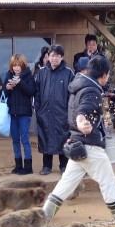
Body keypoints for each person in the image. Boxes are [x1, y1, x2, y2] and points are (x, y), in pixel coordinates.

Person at [42, 54, 115, 227]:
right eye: (108, 75)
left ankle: (42, 222)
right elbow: (82, 111)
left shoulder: (78, 86)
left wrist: (80, 124)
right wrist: (82, 123)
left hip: (77, 145)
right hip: (90, 147)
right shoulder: (92, 91)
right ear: (103, 74)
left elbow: (79, 110)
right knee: (109, 182)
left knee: (64, 186)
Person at [32, 44, 73, 175]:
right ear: (48, 57)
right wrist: (38, 109)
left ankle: (63, 166)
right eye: (52, 55)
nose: (54, 58)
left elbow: (72, 94)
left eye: (57, 56)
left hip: (62, 113)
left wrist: (69, 112)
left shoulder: (68, 73)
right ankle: (46, 166)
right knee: (45, 137)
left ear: (61, 57)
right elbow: (36, 93)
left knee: (63, 137)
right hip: (45, 112)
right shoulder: (42, 72)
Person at [2, 53, 36, 175]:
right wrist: (7, 87)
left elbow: (32, 91)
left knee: (25, 139)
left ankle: (28, 167)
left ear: (23, 65)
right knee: (15, 139)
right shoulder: (8, 76)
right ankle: (18, 166)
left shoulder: (28, 76)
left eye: (18, 65)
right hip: (13, 113)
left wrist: (20, 83)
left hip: (24, 113)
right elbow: (3, 94)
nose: (16, 67)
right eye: (14, 65)